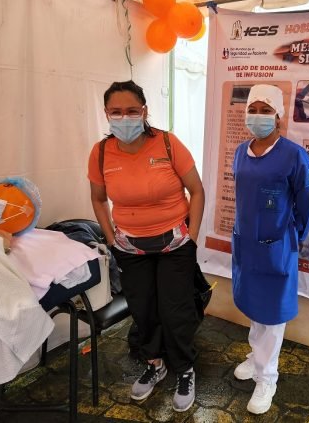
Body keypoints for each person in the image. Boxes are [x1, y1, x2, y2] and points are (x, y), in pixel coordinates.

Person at [87, 80, 205, 413]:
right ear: (106, 114)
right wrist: (111, 239)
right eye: (116, 112)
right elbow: (98, 199)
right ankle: (155, 364)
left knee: (175, 309)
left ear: (144, 111)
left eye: (131, 111)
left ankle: (184, 369)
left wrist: (192, 237)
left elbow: (197, 190)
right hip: (130, 248)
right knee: (143, 308)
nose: (124, 118)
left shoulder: (167, 143)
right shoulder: (100, 153)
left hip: (174, 244)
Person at [231, 84, 309, 414]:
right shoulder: (241, 151)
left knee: (271, 313)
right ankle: (257, 357)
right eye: (252, 109)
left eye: (265, 110)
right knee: (254, 307)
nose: (258, 116)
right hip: (246, 243)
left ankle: (267, 376)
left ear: (279, 116)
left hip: (276, 246)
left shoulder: (293, 155)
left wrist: (290, 237)